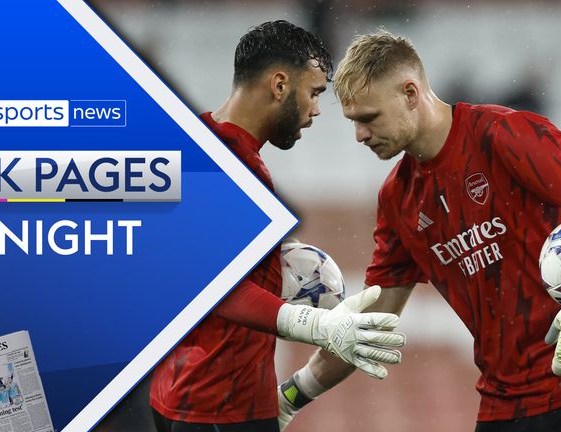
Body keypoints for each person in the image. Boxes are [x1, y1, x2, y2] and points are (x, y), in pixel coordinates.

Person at [277, 28, 561, 431]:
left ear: (410, 94)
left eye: (369, 118)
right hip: (504, 407)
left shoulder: (500, 135)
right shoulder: (399, 197)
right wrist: (292, 394)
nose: (360, 135)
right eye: (354, 122)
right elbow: (372, 318)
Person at [149, 20, 406, 432]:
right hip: (220, 408)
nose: (317, 109)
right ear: (280, 84)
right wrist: (315, 323)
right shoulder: (233, 166)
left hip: (182, 395)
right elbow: (217, 285)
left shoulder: (194, 146)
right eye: (314, 92)